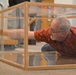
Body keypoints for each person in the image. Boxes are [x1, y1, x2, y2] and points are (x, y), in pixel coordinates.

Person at [0, 16, 76, 57]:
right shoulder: (48, 34)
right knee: (45, 48)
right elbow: (25, 34)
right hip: (56, 45)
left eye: (53, 30)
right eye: (50, 28)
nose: (50, 32)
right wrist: (2, 32)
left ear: (62, 33)